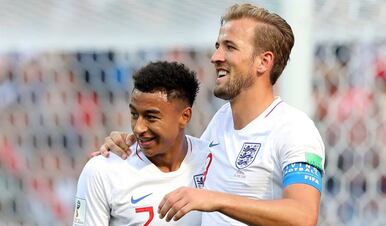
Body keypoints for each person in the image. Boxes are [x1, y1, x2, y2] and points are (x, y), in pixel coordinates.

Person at [97, 3, 325, 226]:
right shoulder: (221, 121)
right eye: (218, 45)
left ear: (263, 62)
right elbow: (181, 162)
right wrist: (135, 139)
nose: (216, 56)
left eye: (230, 47)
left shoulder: (294, 129)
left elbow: (303, 215)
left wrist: (215, 199)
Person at [73, 61, 212, 226]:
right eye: (134, 114)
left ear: (185, 117)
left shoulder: (212, 161)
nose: (138, 128)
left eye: (151, 117)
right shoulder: (102, 171)